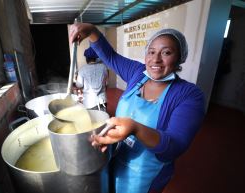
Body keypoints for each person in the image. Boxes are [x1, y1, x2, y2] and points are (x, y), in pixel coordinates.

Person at [69, 23, 205, 193]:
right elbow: (110, 57)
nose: (156, 59)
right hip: (116, 160)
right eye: (152, 52)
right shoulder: (138, 73)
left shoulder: (189, 95)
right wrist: (92, 31)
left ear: (179, 58)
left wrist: (135, 128)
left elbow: (175, 146)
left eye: (166, 52)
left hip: (144, 176)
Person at [75, 47, 108, 111]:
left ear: (86, 59)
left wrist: (76, 79)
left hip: (89, 102)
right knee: (103, 119)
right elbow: (106, 83)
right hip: (102, 101)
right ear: (96, 58)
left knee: (92, 120)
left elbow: (79, 85)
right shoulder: (103, 67)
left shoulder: (82, 69)